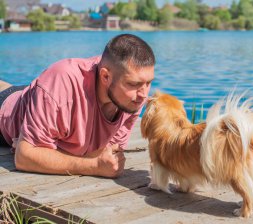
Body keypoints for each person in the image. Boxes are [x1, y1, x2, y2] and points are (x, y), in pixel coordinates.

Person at [0, 34, 155, 178]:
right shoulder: (61, 82)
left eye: (149, 83)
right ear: (105, 76)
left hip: (40, 98)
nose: (144, 94)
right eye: (134, 84)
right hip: (6, 110)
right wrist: (93, 165)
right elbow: (24, 158)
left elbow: (107, 152)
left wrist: (49, 152)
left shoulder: (132, 98)